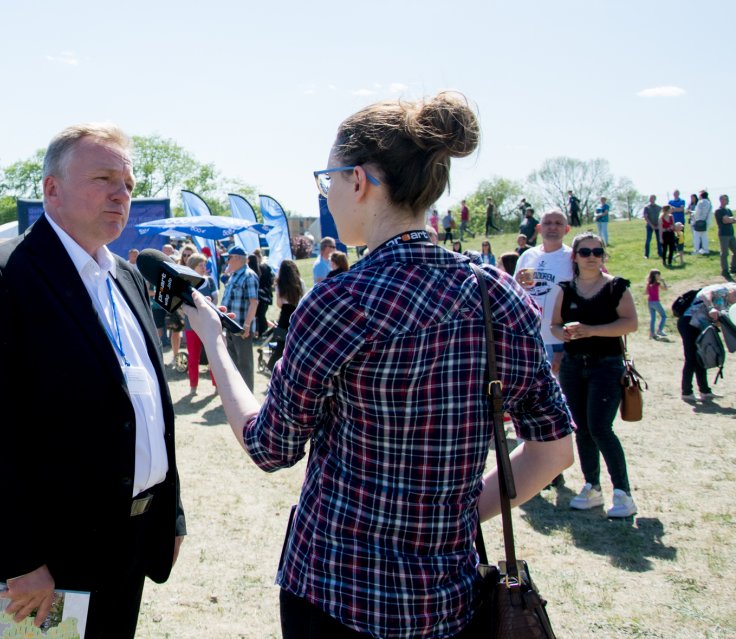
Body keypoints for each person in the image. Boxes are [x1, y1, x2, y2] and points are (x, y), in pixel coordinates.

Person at [183, 92, 574, 638]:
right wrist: (454, 518)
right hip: (449, 600)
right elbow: (554, 452)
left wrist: (217, 345)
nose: (328, 195)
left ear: (359, 180)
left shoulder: (342, 301)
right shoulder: (498, 296)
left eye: (329, 181)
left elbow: (270, 448)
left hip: (335, 595)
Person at [0, 122, 185, 639]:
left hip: (132, 537)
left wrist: (171, 514)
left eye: (128, 185)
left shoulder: (127, 276)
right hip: (50, 558)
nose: (121, 195)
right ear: (51, 188)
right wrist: (19, 559)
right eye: (104, 179)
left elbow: (148, 408)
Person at [550, 232, 639, 518]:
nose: (591, 257)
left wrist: (592, 330)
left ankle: (623, 494)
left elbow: (630, 324)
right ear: (574, 256)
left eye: (597, 252)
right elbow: (554, 325)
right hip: (574, 365)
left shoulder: (616, 287)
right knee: (582, 428)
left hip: (607, 364)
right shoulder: (566, 289)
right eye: (585, 252)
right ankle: (592, 486)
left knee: (601, 427)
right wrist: (562, 333)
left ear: (604, 256)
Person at [514, 209, 573, 373]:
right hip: (531, 336)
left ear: (566, 229)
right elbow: (515, 293)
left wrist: (563, 349)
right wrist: (518, 283)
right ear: (539, 228)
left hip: (560, 338)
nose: (552, 227)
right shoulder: (527, 256)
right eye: (547, 223)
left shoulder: (572, 257)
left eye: (558, 223)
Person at [678, 282, 736, 402]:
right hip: (689, 322)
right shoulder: (721, 289)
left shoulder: (728, 304)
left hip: (701, 326)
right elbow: (705, 293)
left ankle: (705, 391)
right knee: (691, 358)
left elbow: (719, 320)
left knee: (701, 357)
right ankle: (686, 392)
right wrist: (711, 307)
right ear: (732, 290)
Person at [220, 245, 259, 391]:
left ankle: (247, 396)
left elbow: (253, 302)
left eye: (229, 258)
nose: (227, 261)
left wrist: (247, 326)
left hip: (241, 327)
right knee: (234, 363)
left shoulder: (249, 275)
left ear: (236, 258)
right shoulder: (234, 274)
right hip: (230, 326)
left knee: (244, 364)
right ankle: (238, 394)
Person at [182, 253, 217, 393]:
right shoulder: (186, 283)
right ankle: (193, 386)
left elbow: (215, 300)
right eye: (200, 265)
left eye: (204, 264)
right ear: (192, 267)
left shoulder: (210, 281)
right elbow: (182, 305)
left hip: (208, 324)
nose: (204, 267)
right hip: (191, 325)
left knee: (213, 357)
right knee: (193, 356)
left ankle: (217, 386)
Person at [266, 259, 304, 370]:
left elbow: (279, 303)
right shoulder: (300, 282)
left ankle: (273, 367)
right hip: (297, 315)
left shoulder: (279, 284)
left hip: (284, 316)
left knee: (281, 345)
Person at [252, 248, 275, 339]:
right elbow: (272, 280)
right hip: (266, 294)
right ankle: (263, 332)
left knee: (260, 316)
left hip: (261, 295)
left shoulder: (257, 268)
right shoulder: (266, 267)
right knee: (261, 315)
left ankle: (262, 333)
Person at [715, 194, 736, 280]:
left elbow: (733, 220)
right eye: (725, 199)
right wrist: (730, 219)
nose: (727, 201)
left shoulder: (728, 210)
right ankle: (725, 271)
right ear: (721, 200)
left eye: (727, 199)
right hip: (723, 234)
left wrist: (730, 219)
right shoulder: (719, 211)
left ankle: (733, 268)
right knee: (724, 253)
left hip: (731, 234)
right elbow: (725, 220)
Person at [646, 269, 668, 339]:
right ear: (655, 275)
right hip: (656, 302)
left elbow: (646, 292)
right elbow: (666, 289)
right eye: (658, 275)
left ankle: (652, 334)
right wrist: (663, 281)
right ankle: (660, 330)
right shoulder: (657, 283)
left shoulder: (648, 283)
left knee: (653, 318)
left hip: (650, 302)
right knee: (664, 316)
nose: (659, 276)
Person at [692, 190, 713, 255]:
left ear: (701, 196)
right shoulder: (709, 203)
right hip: (706, 221)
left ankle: (696, 250)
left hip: (698, 221)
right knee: (704, 236)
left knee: (697, 237)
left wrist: (693, 215)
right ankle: (706, 249)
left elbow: (697, 212)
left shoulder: (700, 202)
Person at [643, 195, 663, 259]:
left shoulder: (659, 207)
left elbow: (661, 216)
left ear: (655, 199)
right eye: (650, 198)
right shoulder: (647, 207)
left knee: (659, 240)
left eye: (652, 198)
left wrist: (658, 225)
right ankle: (646, 255)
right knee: (648, 240)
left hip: (657, 226)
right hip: (649, 226)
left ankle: (660, 253)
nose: (651, 199)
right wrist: (651, 225)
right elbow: (646, 217)